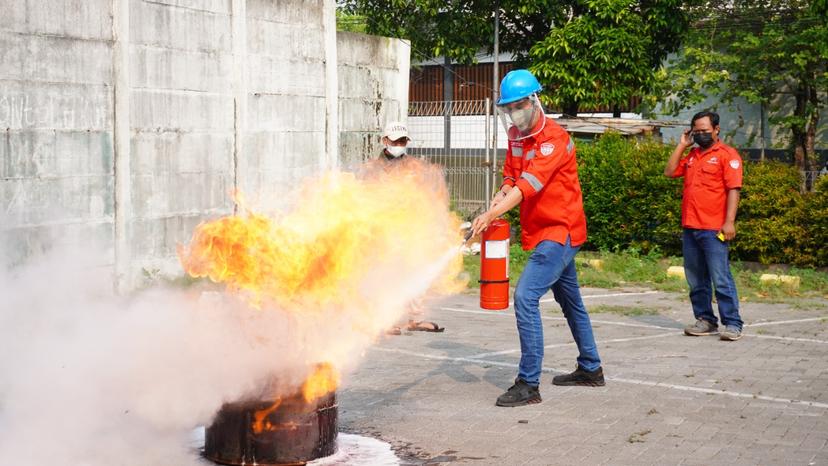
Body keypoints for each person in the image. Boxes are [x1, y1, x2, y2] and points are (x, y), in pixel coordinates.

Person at [470, 70, 603, 408]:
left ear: (534, 101)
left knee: (525, 297)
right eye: (508, 108)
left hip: (561, 230)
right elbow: (510, 179)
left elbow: (528, 185)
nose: (514, 113)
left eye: (518, 106)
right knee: (571, 301)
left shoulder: (554, 139)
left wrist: (493, 214)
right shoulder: (516, 135)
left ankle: (529, 384)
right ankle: (591, 368)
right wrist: (490, 210)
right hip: (542, 230)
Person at [664, 110, 744, 341]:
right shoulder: (692, 155)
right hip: (690, 227)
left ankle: (732, 323)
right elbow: (669, 172)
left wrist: (729, 222)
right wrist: (681, 145)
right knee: (696, 279)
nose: (700, 135)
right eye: (696, 131)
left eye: (704, 131)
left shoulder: (727, 155)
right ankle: (706, 320)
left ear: (717, 130)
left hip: (714, 229)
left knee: (720, 278)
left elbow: (733, 190)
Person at [372, 121, 444, 334]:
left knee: (416, 270)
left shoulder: (412, 166)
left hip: (411, 227)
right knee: (387, 276)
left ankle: (415, 318)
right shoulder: (374, 169)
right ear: (385, 141)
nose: (400, 144)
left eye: (403, 140)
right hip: (385, 229)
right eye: (396, 141)